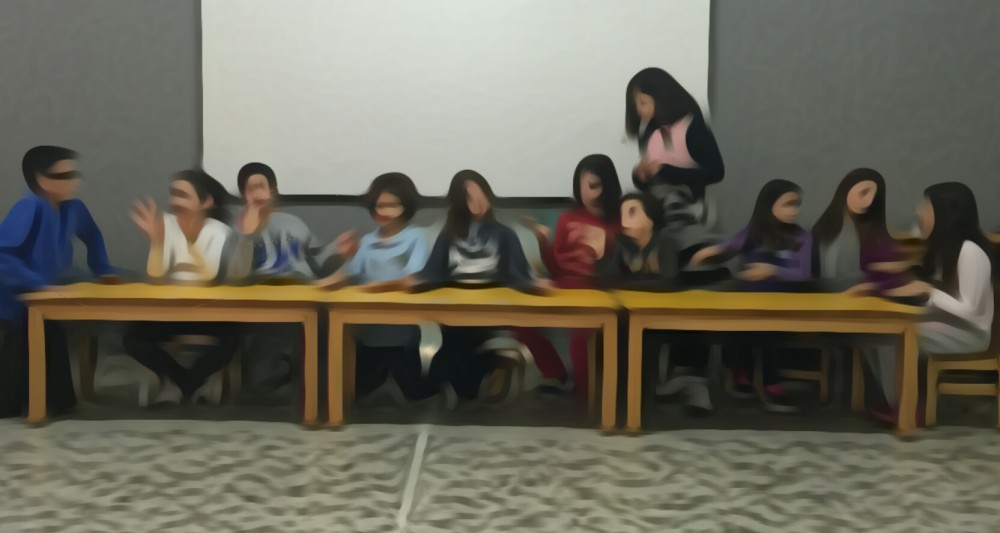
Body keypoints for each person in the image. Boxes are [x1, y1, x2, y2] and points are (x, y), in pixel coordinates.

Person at [404, 170, 546, 402]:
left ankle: (492, 363)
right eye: (469, 198)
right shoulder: (449, 234)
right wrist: (417, 281)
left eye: (482, 195)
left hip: (489, 311)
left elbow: (518, 273)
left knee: (458, 371)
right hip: (453, 311)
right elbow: (434, 271)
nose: (478, 203)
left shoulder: (504, 234)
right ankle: (495, 362)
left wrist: (533, 283)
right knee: (443, 372)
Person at [0, 146, 117, 416]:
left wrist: (101, 268)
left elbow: (93, 236)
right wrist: (38, 284)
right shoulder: (29, 207)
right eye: (63, 176)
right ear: (41, 179)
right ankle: (24, 403)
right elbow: (3, 256)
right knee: (26, 342)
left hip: (52, 291)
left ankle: (57, 400)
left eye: (74, 175)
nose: (72, 182)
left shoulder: (74, 208)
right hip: (19, 296)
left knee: (54, 333)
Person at [868, 182, 997, 419]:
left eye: (926, 206)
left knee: (893, 336)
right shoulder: (946, 248)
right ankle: (900, 402)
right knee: (880, 332)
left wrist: (928, 292)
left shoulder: (970, 252)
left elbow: (971, 311)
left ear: (945, 213)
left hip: (970, 334)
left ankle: (907, 408)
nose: (919, 212)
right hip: (949, 327)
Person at [691, 179, 812, 411]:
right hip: (747, 302)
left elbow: (803, 273)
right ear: (769, 205)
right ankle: (740, 372)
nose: (793, 210)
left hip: (782, 305)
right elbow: (730, 248)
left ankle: (771, 383)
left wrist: (772, 270)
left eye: (796, 204)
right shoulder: (753, 232)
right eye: (787, 204)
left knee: (773, 334)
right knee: (740, 329)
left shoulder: (802, 238)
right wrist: (710, 252)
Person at [123, 170, 238, 405]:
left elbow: (208, 276)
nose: (174, 200)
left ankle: (183, 381)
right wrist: (156, 241)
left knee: (233, 341)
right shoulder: (166, 224)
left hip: (209, 313)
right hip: (170, 312)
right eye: (173, 193)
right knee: (133, 340)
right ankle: (187, 380)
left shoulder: (218, 231)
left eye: (182, 195)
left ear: (206, 202)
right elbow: (156, 276)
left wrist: (189, 239)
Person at [315, 173, 432, 401]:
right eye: (379, 205)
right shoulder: (368, 241)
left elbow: (413, 278)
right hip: (368, 331)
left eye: (392, 205)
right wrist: (322, 281)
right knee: (357, 389)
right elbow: (349, 273)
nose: (384, 211)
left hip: (403, 330)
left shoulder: (417, 236)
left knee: (416, 392)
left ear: (406, 206)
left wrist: (378, 287)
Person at [520, 154, 622, 395]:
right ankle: (554, 373)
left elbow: (620, 268)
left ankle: (583, 394)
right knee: (521, 320)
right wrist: (542, 241)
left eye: (594, 185)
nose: (587, 193)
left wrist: (603, 248)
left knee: (580, 338)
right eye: (581, 185)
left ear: (607, 185)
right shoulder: (568, 218)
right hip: (565, 287)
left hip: (598, 291)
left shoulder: (619, 221)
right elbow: (557, 268)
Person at [230, 162, 340, 281]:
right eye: (251, 189)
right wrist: (247, 234)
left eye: (260, 187)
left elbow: (315, 260)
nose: (257, 194)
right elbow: (239, 274)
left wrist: (336, 249)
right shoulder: (237, 230)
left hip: (300, 285)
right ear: (244, 195)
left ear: (271, 191)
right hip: (261, 288)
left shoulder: (294, 223)